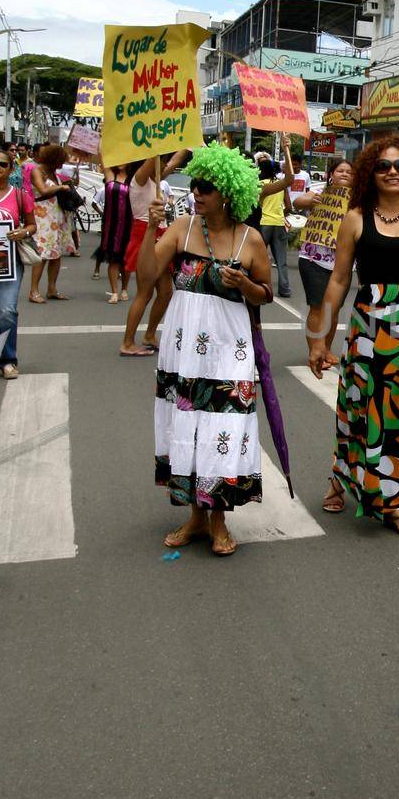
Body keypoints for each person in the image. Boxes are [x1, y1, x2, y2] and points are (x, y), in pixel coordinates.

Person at [308, 135, 399, 537]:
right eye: (384, 166)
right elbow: (337, 281)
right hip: (368, 327)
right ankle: (340, 478)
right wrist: (320, 339)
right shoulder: (355, 217)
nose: (393, 172)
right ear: (371, 171)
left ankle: (392, 503)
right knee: (357, 409)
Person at [140, 143, 271, 559]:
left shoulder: (251, 239)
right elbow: (145, 277)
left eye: (207, 187)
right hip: (183, 350)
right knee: (188, 426)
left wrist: (244, 285)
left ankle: (218, 519)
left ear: (228, 193)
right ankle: (196, 516)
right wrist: (150, 228)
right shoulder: (181, 228)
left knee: (223, 431)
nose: (197, 192)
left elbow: (265, 294)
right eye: (195, 185)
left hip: (228, 351)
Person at [120, 151, 189, 356]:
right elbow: (154, 156)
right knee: (145, 292)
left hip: (162, 234)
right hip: (145, 233)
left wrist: (186, 143)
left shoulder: (156, 179)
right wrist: (159, 142)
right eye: (163, 160)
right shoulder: (139, 179)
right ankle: (128, 342)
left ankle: (150, 335)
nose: (166, 164)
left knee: (166, 292)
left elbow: (176, 160)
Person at [295, 159, 354, 366]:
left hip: (343, 264)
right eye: (340, 171)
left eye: (349, 172)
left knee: (334, 309)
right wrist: (309, 202)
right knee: (318, 307)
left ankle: (326, 348)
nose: (345, 174)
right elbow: (297, 202)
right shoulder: (319, 192)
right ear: (331, 174)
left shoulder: (358, 200)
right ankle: (315, 350)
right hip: (314, 259)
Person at [0, 144, 37, 379]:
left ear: (11, 169)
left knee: (7, 310)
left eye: (2, 164)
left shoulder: (20, 196)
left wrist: (24, 232)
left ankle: (7, 359)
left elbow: (32, 225)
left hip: (8, 263)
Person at [27, 144, 75, 302]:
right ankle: (33, 290)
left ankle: (52, 289)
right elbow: (42, 190)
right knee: (42, 254)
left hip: (57, 217)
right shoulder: (37, 171)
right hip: (43, 217)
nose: (62, 164)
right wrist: (60, 187)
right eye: (60, 161)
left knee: (56, 254)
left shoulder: (54, 173)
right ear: (54, 159)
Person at [255, 148, 296, 299]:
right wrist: (280, 215)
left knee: (259, 257)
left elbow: (257, 206)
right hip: (279, 224)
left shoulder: (259, 185)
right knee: (281, 260)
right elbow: (289, 207)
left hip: (264, 223)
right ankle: (285, 289)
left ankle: (261, 287)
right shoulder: (280, 185)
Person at [93, 151, 133, 302]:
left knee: (126, 260)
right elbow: (101, 153)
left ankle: (124, 288)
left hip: (129, 224)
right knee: (113, 259)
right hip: (111, 224)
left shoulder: (134, 178)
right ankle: (114, 291)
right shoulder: (110, 174)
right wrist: (102, 134)